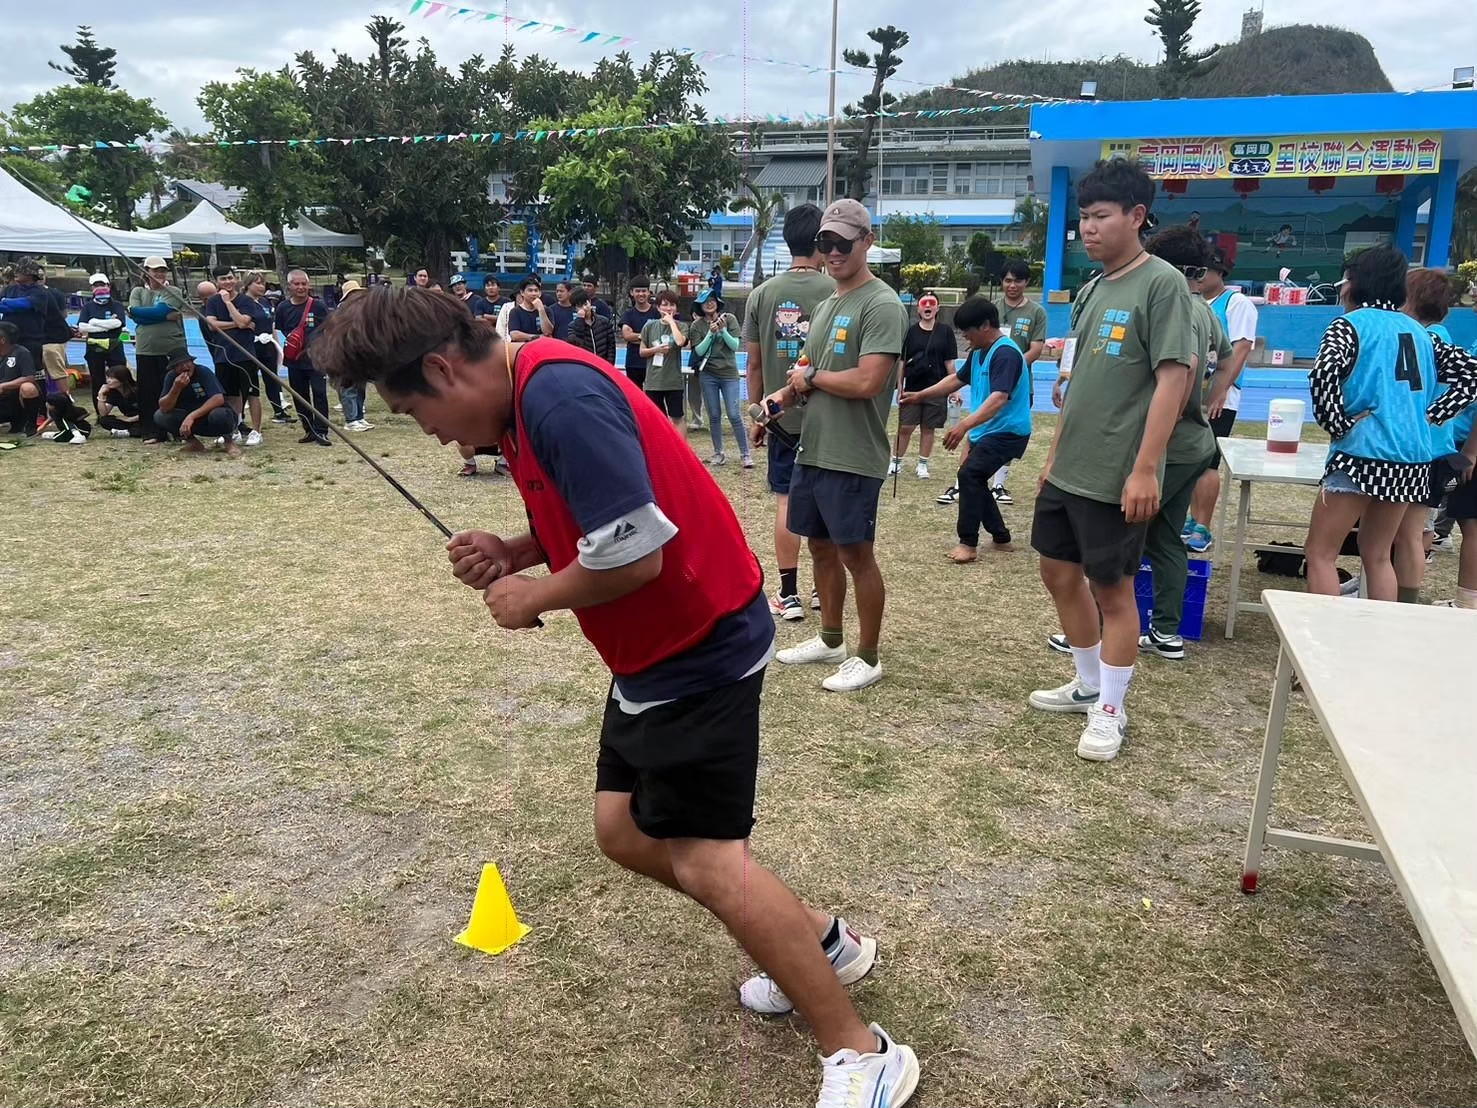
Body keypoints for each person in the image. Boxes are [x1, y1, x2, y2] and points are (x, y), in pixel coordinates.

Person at [310, 285, 919, 1108]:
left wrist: (533, 596)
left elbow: (637, 559)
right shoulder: (522, 406)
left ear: (442, 368)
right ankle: (820, 942)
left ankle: (862, 1050)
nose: (432, 434)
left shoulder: (557, 397)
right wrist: (513, 545)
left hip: (697, 646)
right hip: (648, 658)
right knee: (623, 831)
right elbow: (596, 518)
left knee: (709, 864)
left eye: (416, 411)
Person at [1027, 158, 1195, 763]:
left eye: (1100, 217)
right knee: (1057, 572)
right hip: (1070, 467)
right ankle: (1089, 682)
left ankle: (1111, 711)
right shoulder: (1095, 289)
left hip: (1117, 474)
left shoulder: (1162, 285)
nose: (1088, 229)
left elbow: (1175, 379)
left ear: (1136, 216)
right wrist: (1051, 455)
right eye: (1084, 219)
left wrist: (1146, 468)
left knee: (1114, 590)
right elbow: (1079, 384)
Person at [766, 199, 907, 693]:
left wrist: (810, 378)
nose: (832, 252)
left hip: (853, 453)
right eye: (825, 243)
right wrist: (780, 397)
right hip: (815, 446)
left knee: (856, 555)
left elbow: (869, 381)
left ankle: (867, 655)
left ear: (867, 242)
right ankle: (831, 639)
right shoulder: (827, 304)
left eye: (842, 243)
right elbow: (808, 367)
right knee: (820, 548)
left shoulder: (882, 303)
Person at [1302, 246, 1477, 603]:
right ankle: (1379, 638)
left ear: (1353, 283)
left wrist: (1337, 423)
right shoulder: (1420, 333)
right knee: (1378, 555)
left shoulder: (1349, 326)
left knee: (1321, 553)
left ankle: (1325, 638)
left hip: (1359, 452)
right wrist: (1436, 413)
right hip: (1411, 458)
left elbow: (1322, 374)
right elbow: (1472, 374)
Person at [1137, 226, 1230, 660]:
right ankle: (1166, 631)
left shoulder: (1176, 304)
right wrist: (1211, 400)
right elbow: (1226, 357)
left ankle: (1096, 627)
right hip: (1196, 440)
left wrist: (1160, 434)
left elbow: (1185, 369)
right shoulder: (1205, 309)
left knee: (1124, 532)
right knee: (1166, 536)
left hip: (1173, 443)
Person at [744, 203, 835, 622]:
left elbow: (756, 364)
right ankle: (821, 589)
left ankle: (789, 594)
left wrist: (759, 413)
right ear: (822, 242)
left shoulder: (762, 293)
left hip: (780, 419)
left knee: (786, 500)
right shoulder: (837, 291)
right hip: (827, 416)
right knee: (825, 503)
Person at [900, 297, 1029, 562]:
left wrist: (962, 426)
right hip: (989, 431)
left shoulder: (1005, 353)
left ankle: (968, 543)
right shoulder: (979, 352)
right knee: (974, 477)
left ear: (984, 326)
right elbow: (956, 379)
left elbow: (999, 398)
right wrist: (920, 395)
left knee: (969, 475)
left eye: (967, 332)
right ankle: (1001, 537)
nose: (966, 339)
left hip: (1009, 432)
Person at [1184, 249, 1258, 552]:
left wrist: (1222, 389)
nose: (1199, 279)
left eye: (1205, 272)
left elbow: (1241, 349)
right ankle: (1191, 519)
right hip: (1194, 392)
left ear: (1219, 273)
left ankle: (1203, 526)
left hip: (1219, 396)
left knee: (1208, 461)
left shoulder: (1237, 303)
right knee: (1190, 459)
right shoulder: (1196, 303)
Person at [986, 259, 1049, 504]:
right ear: (1002, 282)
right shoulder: (991, 308)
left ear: (1026, 283)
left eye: (1018, 280)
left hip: (1021, 384)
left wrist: (1011, 367)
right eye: (1008, 280)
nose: (1012, 285)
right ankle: (977, 475)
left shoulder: (1036, 312)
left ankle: (999, 483)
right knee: (986, 428)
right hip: (991, 383)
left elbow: (1036, 348)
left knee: (1009, 432)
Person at [891, 294, 955, 480]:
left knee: (929, 427)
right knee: (906, 426)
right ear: (918, 309)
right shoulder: (910, 332)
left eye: (932, 304)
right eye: (924, 304)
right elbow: (901, 362)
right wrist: (899, 386)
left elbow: (949, 362)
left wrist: (954, 388)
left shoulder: (945, 332)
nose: (928, 307)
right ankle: (895, 462)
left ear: (937, 308)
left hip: (937, 387)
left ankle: (922, 464)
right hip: (913, 387)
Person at [127, 257, 189, 444]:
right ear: (145, 272)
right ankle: (151, 431)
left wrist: (139, 312)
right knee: (147, 391)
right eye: (155, 270)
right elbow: (139, 317)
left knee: (175, 388)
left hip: (172, 347)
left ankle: (177, 429)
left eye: (162, 270)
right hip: (146, 349)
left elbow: (157, 311)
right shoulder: (137, 291)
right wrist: (157, 315)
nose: (159, 274)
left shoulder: (173, 291)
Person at [274, 269, 333, 446]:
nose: (301, 287)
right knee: (300, 396)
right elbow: (281, 328)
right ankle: (309, 429)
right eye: (296, 284)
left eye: (304, 283)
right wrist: (295, 341)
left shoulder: (318, 306)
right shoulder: (283, 307)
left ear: (309, 285)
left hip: (316, 359)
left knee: (320, 394)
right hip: (295, 361)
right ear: (289, 286)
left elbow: (329, 327)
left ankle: (322, 430)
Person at [691, 290, 749, 467]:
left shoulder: (729, 319)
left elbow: (735, 345)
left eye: (712, 300)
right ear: (699, 306)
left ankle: (745, 454)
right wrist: (710, 333)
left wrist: (722, 331)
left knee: (734, 414)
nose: (709, 304)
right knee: (714, 415)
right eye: (705, 302)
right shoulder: (697, 326)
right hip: (708, 374)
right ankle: (718, 453)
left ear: (717, 302)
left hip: (729, 373)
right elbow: (699, 351)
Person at [203, 267, 259, 444]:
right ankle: (233, 428)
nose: (227, 282)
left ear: (236, 279)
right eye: (222, 279)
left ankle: (256, 431)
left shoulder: (245, 300)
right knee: (230, 395)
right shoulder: (212, 301)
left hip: (245, 354)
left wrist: (228, 304)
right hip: (223, 355)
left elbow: (243, 322)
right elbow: (211, 325)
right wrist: (235, 323)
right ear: (216, 282)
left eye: (230, 278)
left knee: (252, 393)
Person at [155, 349, 241, 456]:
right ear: (174, 369)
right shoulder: (171, 377)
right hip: (193, 422)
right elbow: (164, 408)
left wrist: (191, 416)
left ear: (192, 362)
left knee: (220, 414)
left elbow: (218, 398)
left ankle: (229, 442)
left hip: (213, 417)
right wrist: (176, 388)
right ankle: (193, 443)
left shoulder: (203, 372)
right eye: (179, 365)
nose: (184, 367)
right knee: (160, 416)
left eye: (187, 362)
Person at [241, 272, 292, 425]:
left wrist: (276, 346)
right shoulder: (243, 302)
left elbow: (271, 325)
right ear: (248, 285)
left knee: (272, 378)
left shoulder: (265, 301)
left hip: (267, 345)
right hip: (252, 345)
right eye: (257, 283)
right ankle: (240, 415)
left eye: (263, 283)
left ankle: (279, 410)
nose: (261, 286)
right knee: (249, 381)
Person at [75, 274, 129, 417]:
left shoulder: (116, 305)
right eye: (96, 285)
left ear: (108, 286)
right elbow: (82, 327)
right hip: (94, 348)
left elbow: (118, 323)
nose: (100, 288)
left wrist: (94, 322)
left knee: (121, 377)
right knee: (97, 379)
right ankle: (101, 413)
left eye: (103, 285)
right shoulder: (87, 306)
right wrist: (107, 325)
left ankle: (129, 408)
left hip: (115, 347)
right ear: (92, 288)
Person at [638, 289, 688, 433]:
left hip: (673, 381)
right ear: (658, 307)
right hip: (653, 382)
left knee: (677, 417)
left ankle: (681, 452)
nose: (668, 308)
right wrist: (656, 350)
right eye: (665, 305)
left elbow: (679, 342)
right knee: (657, 419)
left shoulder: (682, 326)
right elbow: (642, 351)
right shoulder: (649, 326)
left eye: (672, 305)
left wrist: (671, 322)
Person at [0, 322, 43, 436]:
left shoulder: (21, 353)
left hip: (15, 399)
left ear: (3, 340)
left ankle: (30, 423)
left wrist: (4, 386)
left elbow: (29, 377)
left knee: (28, 387)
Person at [620, 280, 662, 388]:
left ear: (649, 292)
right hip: (633, 362)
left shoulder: (657, 313)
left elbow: (661, 335)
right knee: (634, 397)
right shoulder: (628, 314)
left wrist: (637, 337)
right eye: (637, 291)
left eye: (644, 291)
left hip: (653, 362)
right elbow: (627, 335)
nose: (641, 294)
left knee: (653, 398)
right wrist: (648, 337)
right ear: (631, 293)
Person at [567, 287, 616, 365]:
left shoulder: (604, 321)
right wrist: (580, 321)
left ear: (590, 302)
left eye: (585, 304)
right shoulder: (572, 326)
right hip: (586, 367)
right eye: (580, 306)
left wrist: (609, 364)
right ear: (575, 308)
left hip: (603, 365)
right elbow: (576, 345)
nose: (584, 308)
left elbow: (611, 346)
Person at [97, 365, 144, 437]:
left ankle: (128, 432)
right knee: (104, 420)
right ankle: (128, 431)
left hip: (143, 418)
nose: (108, 381)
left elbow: (149, 411)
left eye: (112, 378)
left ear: (122, 379)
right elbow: (103, 413)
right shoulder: (114, 392)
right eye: (108, 378)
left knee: (148, 425)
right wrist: (100, 395)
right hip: (129, 420)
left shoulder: (137, 390)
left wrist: (131, 419)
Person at [507, 277, 553, 342]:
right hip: (523, 347)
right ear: (522, 292)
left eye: (536, 290)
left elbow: (548, 332)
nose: (534, 294)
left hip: (541, 347)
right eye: (530, 290)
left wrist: (541, 310)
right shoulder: (515, 311)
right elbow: (514, 335)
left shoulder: (547, 310)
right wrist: (537, 337)